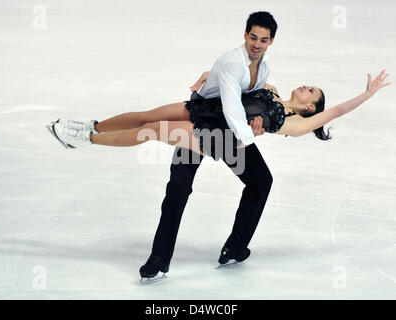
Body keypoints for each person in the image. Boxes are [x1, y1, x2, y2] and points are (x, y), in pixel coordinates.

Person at [48, 13, 390, 280]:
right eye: (253, 37)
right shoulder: (268, 84)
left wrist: (368, 93)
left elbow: (337, 110)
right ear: (248, 36)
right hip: (208, 112)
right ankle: (91, 127)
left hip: (220, 138)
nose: (307, 87)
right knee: (148, 123)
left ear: (310, 108)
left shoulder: (297, 124)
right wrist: (210, 74)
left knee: (150, 131)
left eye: (312, 92)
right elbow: (233, 78)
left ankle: (85, 139)